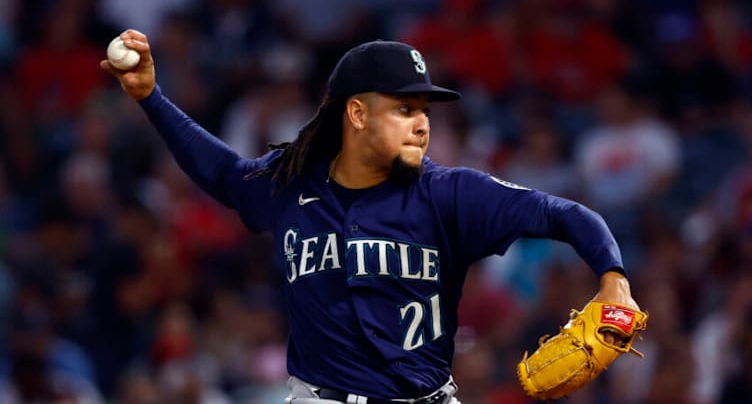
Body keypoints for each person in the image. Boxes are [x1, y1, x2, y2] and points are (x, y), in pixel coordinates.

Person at [101, 29, 642, 404]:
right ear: (357, 113)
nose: (421, 124)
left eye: (425, 112)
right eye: (404, 109)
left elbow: (566, 213)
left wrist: (613, 279)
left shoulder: (449, 194)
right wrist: (151, 98)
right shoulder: (291, 185)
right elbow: (222, 174)